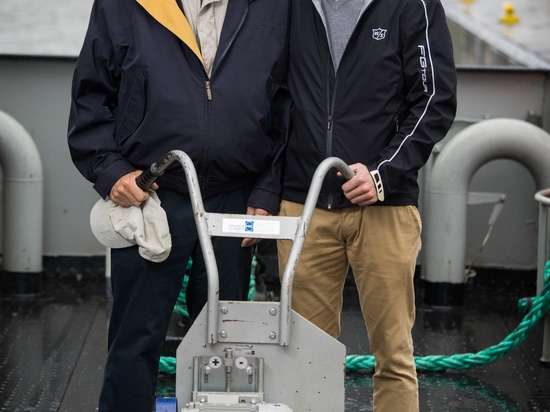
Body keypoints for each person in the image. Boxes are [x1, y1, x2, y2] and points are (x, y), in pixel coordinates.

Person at [67, 0, 289, 410]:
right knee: (135, 338)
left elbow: (288, 100)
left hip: (235, 201)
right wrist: (112, 171)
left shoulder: (276, 7)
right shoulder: (122, 5)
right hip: (151, 195)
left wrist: (266, 189)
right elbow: (91, 95)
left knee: (227, 344)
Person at [276, 0, 457, 411]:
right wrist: (267, 192)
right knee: (307, 357)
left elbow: (434, 99)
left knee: (393, 355)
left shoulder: (413, 5)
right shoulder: (290, 6)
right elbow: (272, 97)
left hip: (386, 208)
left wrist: (382, 174)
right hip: (304, 203)